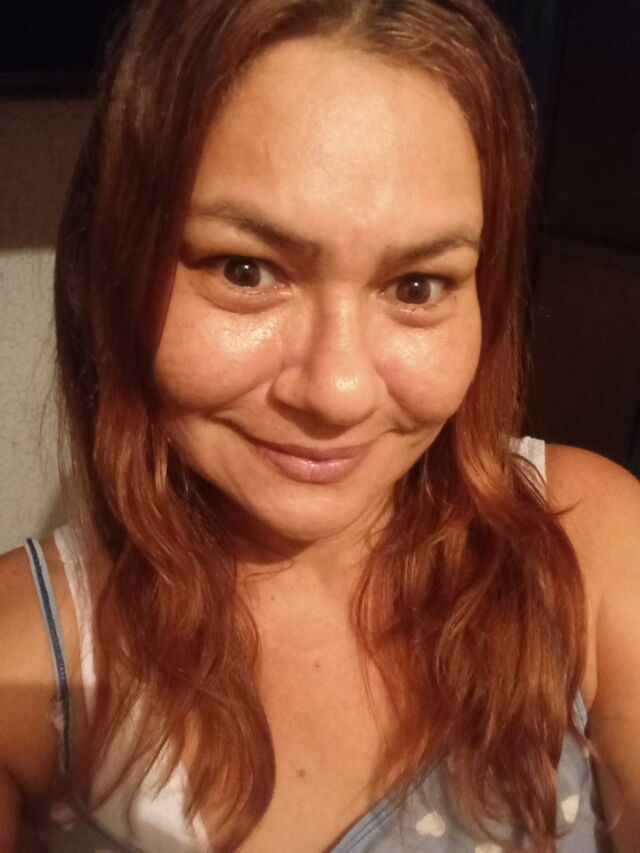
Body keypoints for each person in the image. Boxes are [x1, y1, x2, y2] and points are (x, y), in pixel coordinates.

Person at [1, 0, 639, 850]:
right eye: (246, 269)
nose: (337, 392)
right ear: (115, 266)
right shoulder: (26, 666)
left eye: (417, 286)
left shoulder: (587, 549)